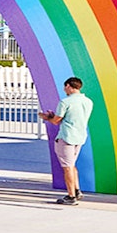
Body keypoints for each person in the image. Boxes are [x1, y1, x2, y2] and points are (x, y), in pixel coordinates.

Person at [39, 76, 94, 205]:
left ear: (69, 86)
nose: (64, 90)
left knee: (67, 168)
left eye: (65, 87)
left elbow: (56, 120)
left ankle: (71, 196)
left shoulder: (65, 102)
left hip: (66, 137)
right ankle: (76, 190)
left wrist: (47, 117)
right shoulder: (88, 101)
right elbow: (74, 118)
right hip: (80, 136)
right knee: (72, 165)